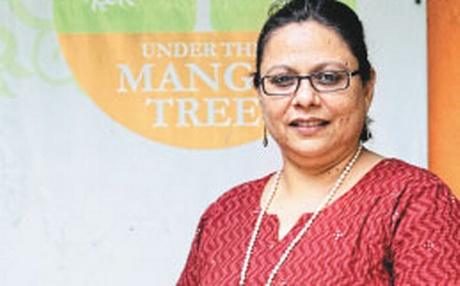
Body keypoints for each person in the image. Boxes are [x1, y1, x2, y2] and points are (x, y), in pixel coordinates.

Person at [177, 0, 460, 285]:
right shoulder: (225, 215)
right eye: (282, 80)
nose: (304, 98)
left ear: (367, 88)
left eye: (328, 77)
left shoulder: (415, 201)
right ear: (260, 93)